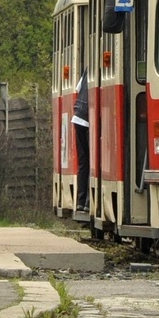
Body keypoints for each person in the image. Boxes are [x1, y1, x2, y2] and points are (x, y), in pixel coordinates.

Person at [72, 71, 90, 214]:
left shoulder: (86, 72)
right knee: (92, 161)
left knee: (83, 161)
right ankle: (88, 200)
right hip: (87, 119)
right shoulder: (96, 69)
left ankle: (81, 201)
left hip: (78, 117)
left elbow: (77, 88)